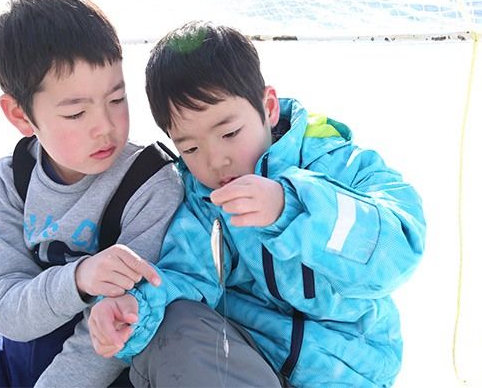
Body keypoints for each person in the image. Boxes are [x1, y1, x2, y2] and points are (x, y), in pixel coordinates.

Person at [86, 22, 426, 387]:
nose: (216, 161)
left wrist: (291, 207)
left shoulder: (341, 165)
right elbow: (182, 277)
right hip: (249, 368)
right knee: (175, 322)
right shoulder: (204, 204)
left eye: (230, 133)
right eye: (191, 148)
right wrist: (133, 310)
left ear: (269, 108)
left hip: (345, 374)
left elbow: (399, 249)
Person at [0, 0, 185, 387]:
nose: (106, 126)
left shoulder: (152, 184)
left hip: (97, 373)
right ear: (20, 115)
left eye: (117, 99)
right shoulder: (9, 182)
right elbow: (5, 306)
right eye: (76, 112)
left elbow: (115, 337)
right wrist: (79, 277)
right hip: (12, 357)